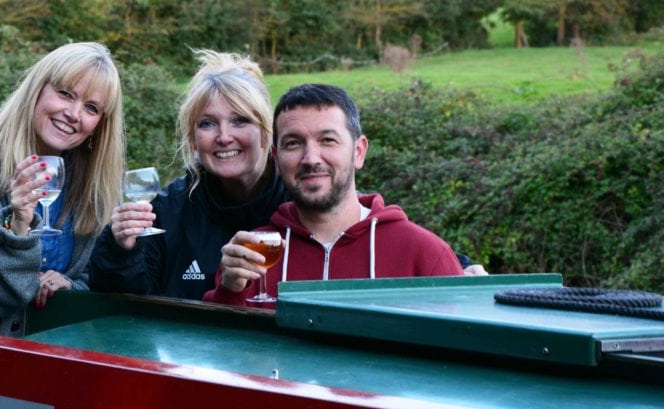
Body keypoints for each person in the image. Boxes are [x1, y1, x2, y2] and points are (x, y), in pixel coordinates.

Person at [0, 42, 124, 335]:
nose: (73, 113)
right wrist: (17, 226)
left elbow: (100, 278)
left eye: (91, 108)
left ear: (99, 126)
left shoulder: (97, 183)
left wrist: (71, 286)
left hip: (60, 356)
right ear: (37, 90)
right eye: (66, 94)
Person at [204, 83, 464, 306]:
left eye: (328, 140)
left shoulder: (424, 255)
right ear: (276, 158)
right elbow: (221, 350)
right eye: (293, 143)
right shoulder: (252, 256)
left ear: (359, 152)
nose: (310, 158)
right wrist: (229, 292)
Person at [89, 50, 287, 300]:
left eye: (240, 121)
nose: (224, 137)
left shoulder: (298, 202)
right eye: (207, 123)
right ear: (193, 139)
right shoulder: (170, 209)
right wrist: (121, 249)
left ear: (265, 131)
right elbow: (126, 307)